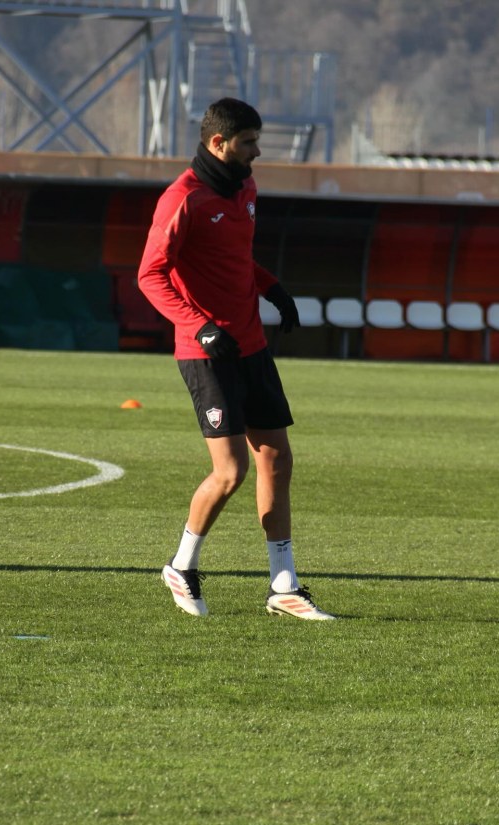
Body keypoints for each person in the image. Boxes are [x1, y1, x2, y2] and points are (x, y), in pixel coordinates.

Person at [138, 96, 334, 620]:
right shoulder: (182, 199)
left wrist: (272, 288)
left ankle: (284, 585)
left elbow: (235, 257)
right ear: (218, 143)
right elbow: (150, 275)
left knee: (277, 459)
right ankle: (181, 566)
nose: (257, 151)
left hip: (251, 346)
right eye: (248, 142)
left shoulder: (245, 187)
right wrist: (199, 327)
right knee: (230, 472)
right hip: (206, 352)